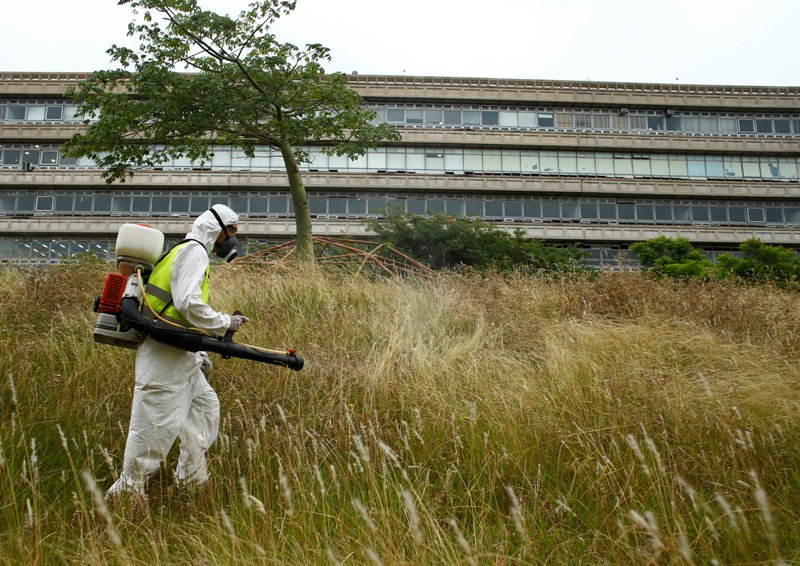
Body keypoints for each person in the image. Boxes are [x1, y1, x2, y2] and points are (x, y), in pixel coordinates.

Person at [106, 204, 248, 501]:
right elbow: (187, 304)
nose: (233, 238)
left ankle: (191, 482)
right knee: (152, 430)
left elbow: (175, 313)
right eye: (232, 231)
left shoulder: (187, 251)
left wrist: (198, 355)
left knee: (205, 411)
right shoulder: (194, 251)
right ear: (217, 228)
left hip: (180, 356)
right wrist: (225, 322)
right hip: (163, 358)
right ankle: (125, 497)